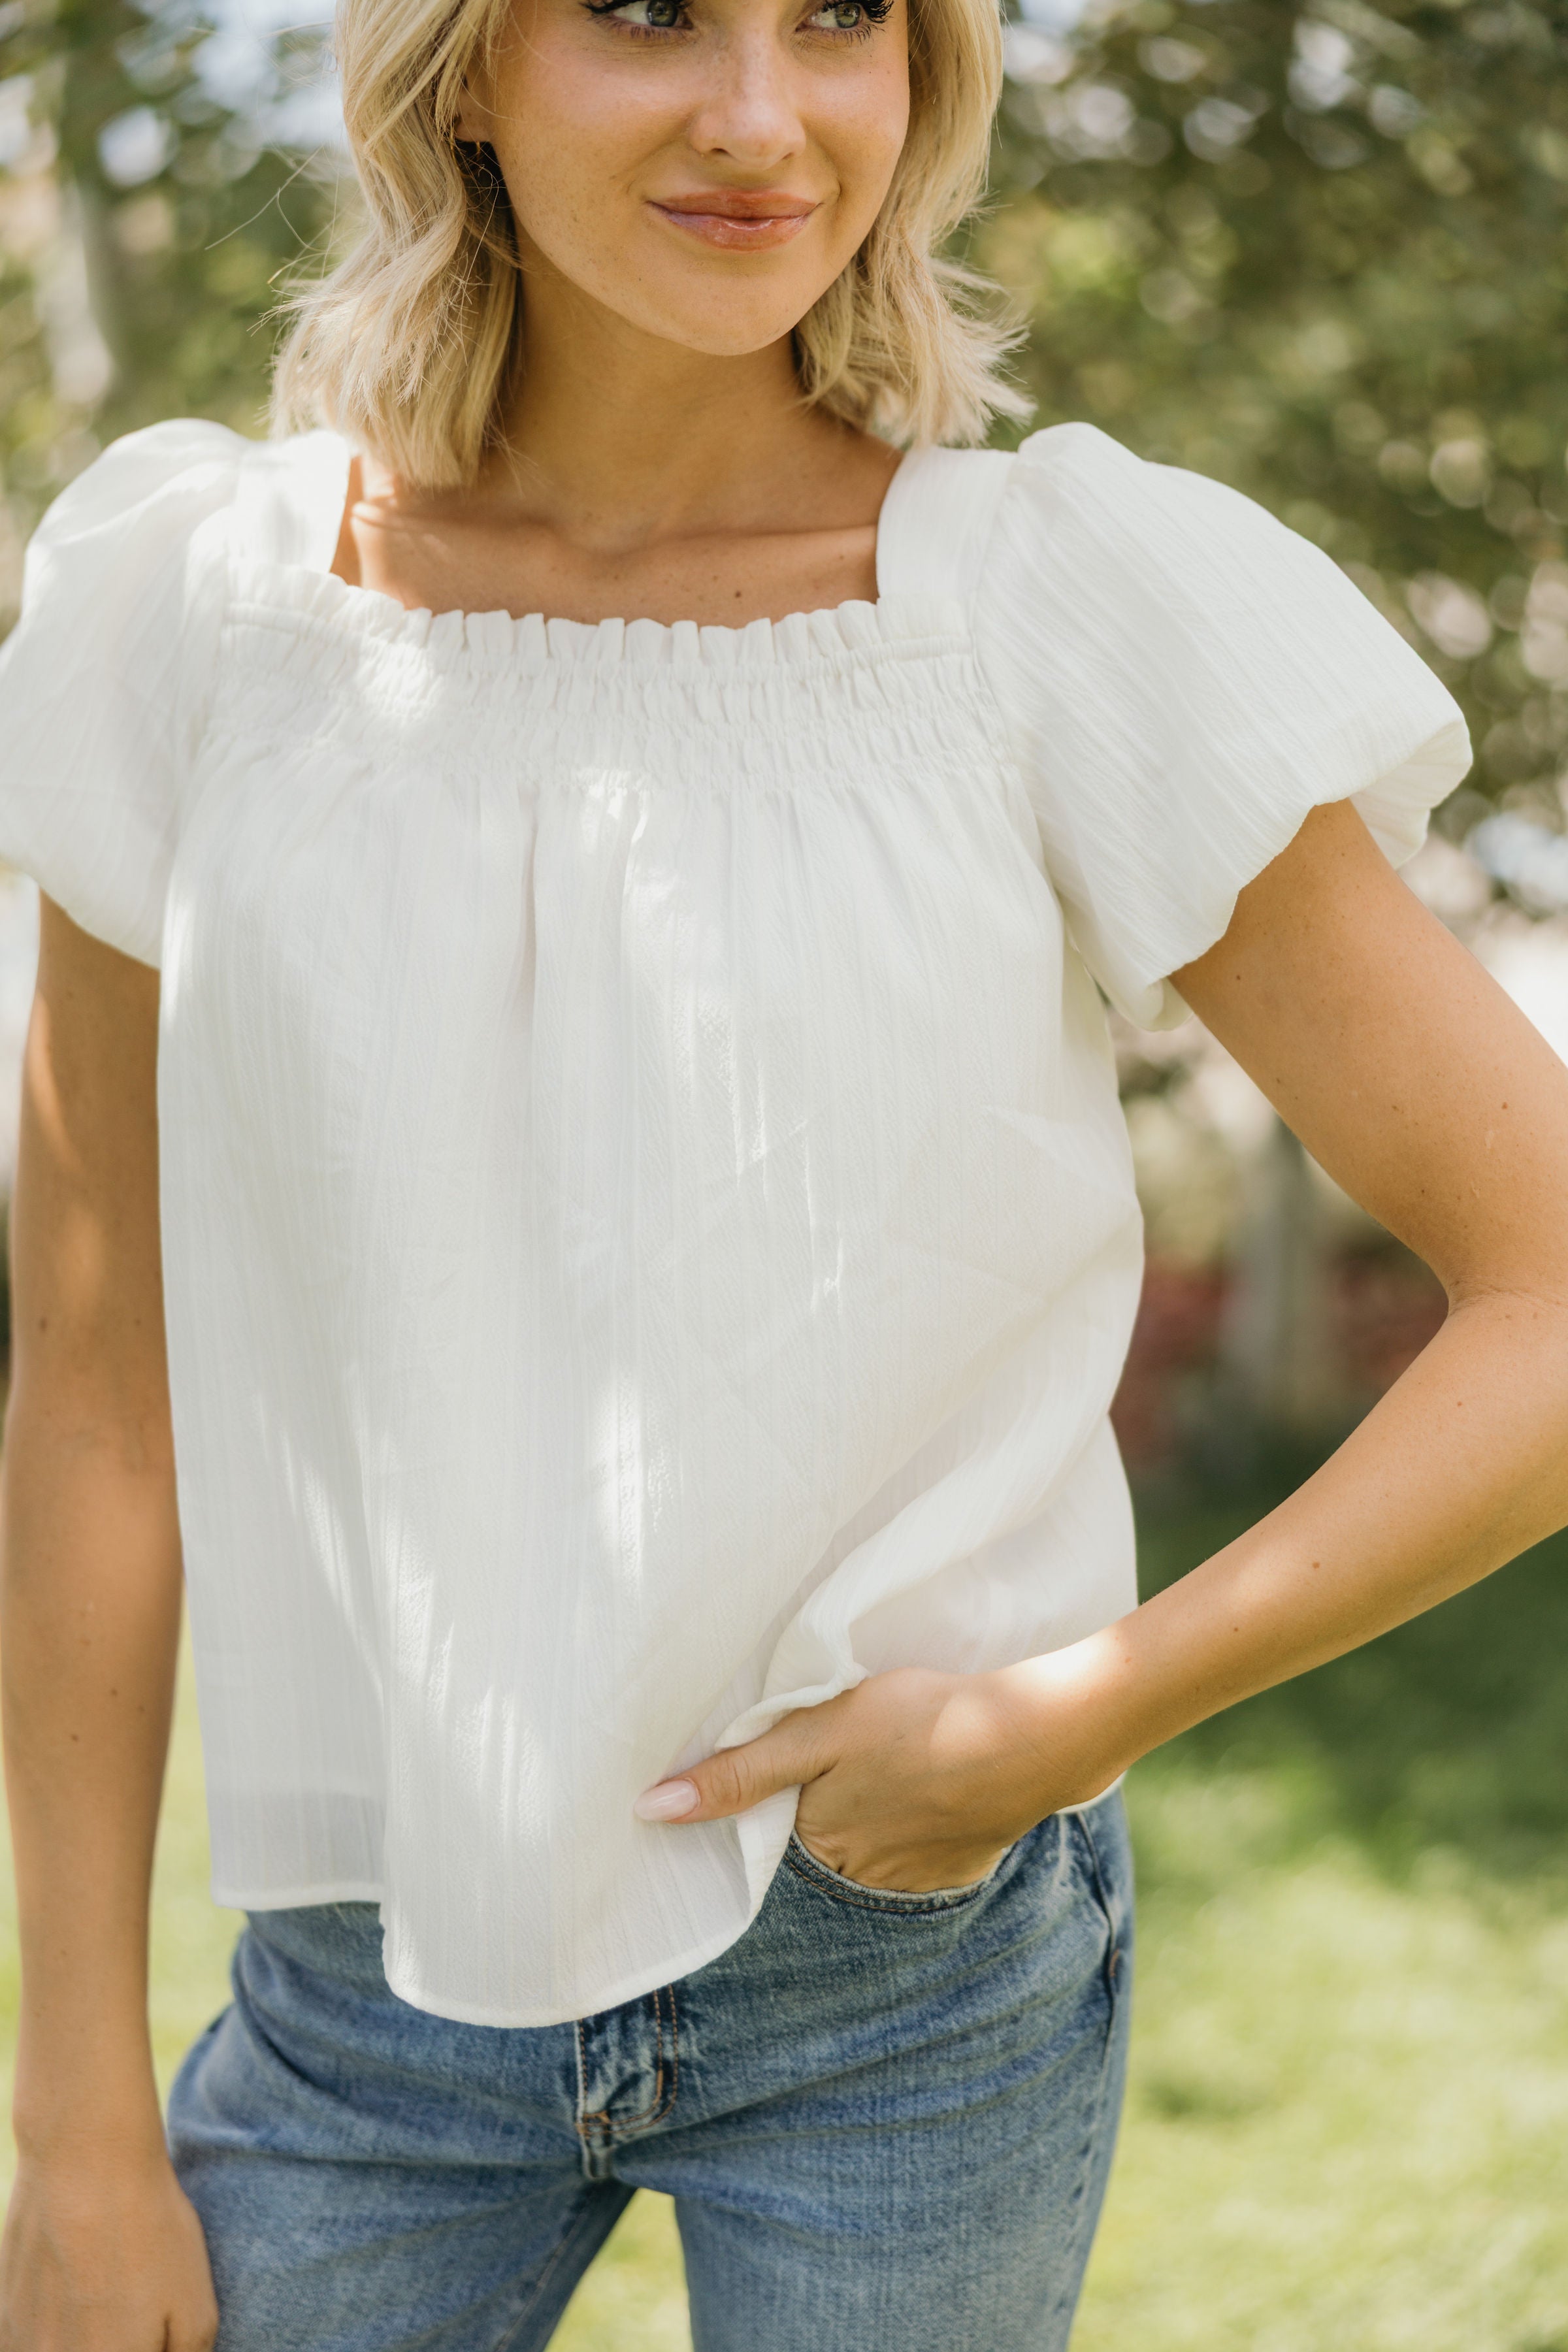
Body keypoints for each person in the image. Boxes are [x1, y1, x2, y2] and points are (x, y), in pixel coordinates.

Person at [2, 0, 1567, 2337]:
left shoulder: (1049, 607)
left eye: (841, 17)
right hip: (365, 1977)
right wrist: (76, 2133)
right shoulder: (192, 613)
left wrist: (1075, 1714)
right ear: (461, 70)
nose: (762, 112)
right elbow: (95, 1388)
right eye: (647, 11)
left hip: (910, 1964)